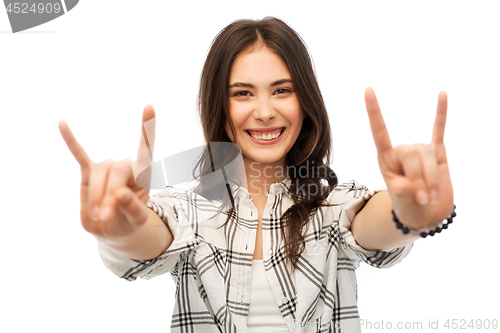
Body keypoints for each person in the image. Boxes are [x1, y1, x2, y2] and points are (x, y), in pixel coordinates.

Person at [58, 17, 455, 333]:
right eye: (243, 93)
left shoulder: (333, 203)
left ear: (305, 101)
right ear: (219, 104)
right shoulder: (189, 209)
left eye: (281, 90)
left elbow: (372, 220)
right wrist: (122, 230)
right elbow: (151, 236)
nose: (264, 111)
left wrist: (409, 213)